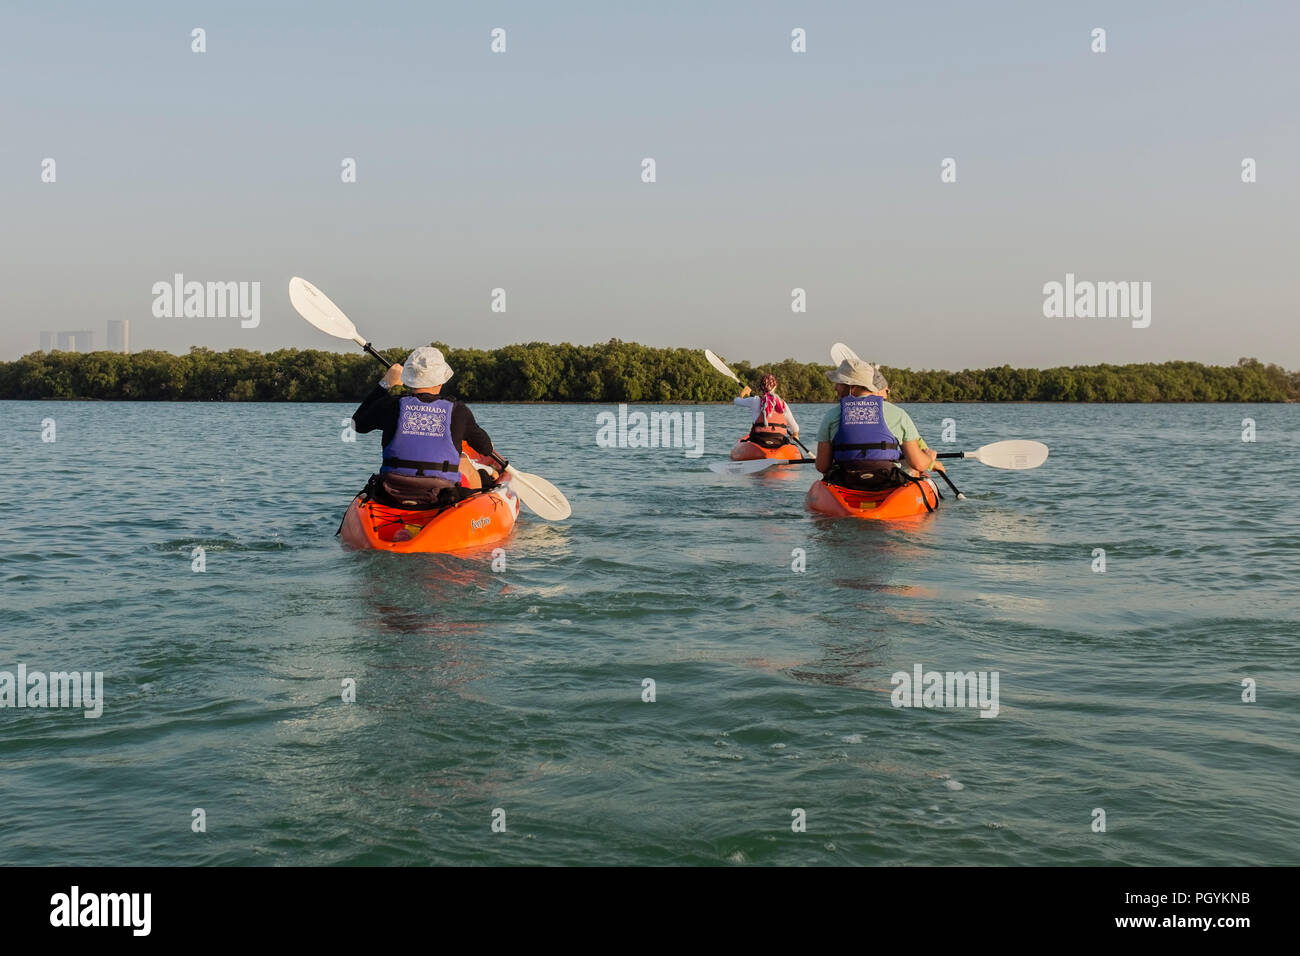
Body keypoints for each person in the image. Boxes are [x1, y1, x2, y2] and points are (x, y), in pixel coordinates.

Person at [351, 346, 503, 507]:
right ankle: (476, 511)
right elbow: (486, 448)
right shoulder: (458, 411)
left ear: (409, 378)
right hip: (442, 494)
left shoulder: (391, 406)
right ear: (442, 378)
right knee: (465, 463)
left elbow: (357, 424)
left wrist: (385, 383)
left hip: (392, 490)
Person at [815, 358, 943, 487]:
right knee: (914, 470)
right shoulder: (898, 414)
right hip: (887, 480)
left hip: (846, 480)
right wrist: (929, 459)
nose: (835, 387)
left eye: (839, 383)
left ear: (852, 386)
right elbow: (918, 464)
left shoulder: (831, 416)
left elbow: (822, 466)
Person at [735, 374, 801, 448]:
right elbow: (795, 427)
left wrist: (742, 393)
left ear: (761, 387)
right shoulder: (782, 403)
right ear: (775, 387)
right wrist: (795, 433)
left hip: (759, 440)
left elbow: (736, 401)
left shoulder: (755, 400)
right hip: (778, 440)